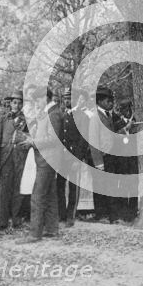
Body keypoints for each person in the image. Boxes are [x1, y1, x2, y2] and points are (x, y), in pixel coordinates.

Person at [16, 87, 63, 244]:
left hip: (47, 159)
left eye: (38, 99)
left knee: (37, 195)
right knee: (49, 195)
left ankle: (34, 234)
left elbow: (53, 139)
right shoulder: (49, 113)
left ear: (46, 98)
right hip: (46, 159)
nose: (36, 103)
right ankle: (52, 229)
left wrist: (32, 142)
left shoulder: (53, 114)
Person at [0, 90, 30, 230]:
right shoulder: (3, 119)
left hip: (21, 156)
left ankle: (16, 219)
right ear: (10, 104)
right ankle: (2, 220)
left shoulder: (27, 119)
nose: (17, 105)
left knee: (18, 188)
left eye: (20, 102)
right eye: (15, 102)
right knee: (4, 189)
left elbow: (29, 136)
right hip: (5, 157)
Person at [57, 87, 90, 227]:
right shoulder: (61, 115)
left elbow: (83, 140)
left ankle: (71, 216)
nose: (66, 100)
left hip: (74, 156)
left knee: (73, 187)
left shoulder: (82, 117)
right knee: (59, 186)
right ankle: (61, 215)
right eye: (65, 98)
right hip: (61, 157)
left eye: (69, 98)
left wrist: (78, 158)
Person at [87, 86, 115, 222]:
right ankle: (101, 214)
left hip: (110, 157)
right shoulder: (95, 117)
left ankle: (110, 214)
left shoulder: (107, 115)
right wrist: (98, 163)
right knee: (99, 187)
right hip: (101, 158)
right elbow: (93, 141)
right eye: (108, 101)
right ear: (100, 101)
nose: (111, 103)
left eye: (112, 100)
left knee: (109, 186)